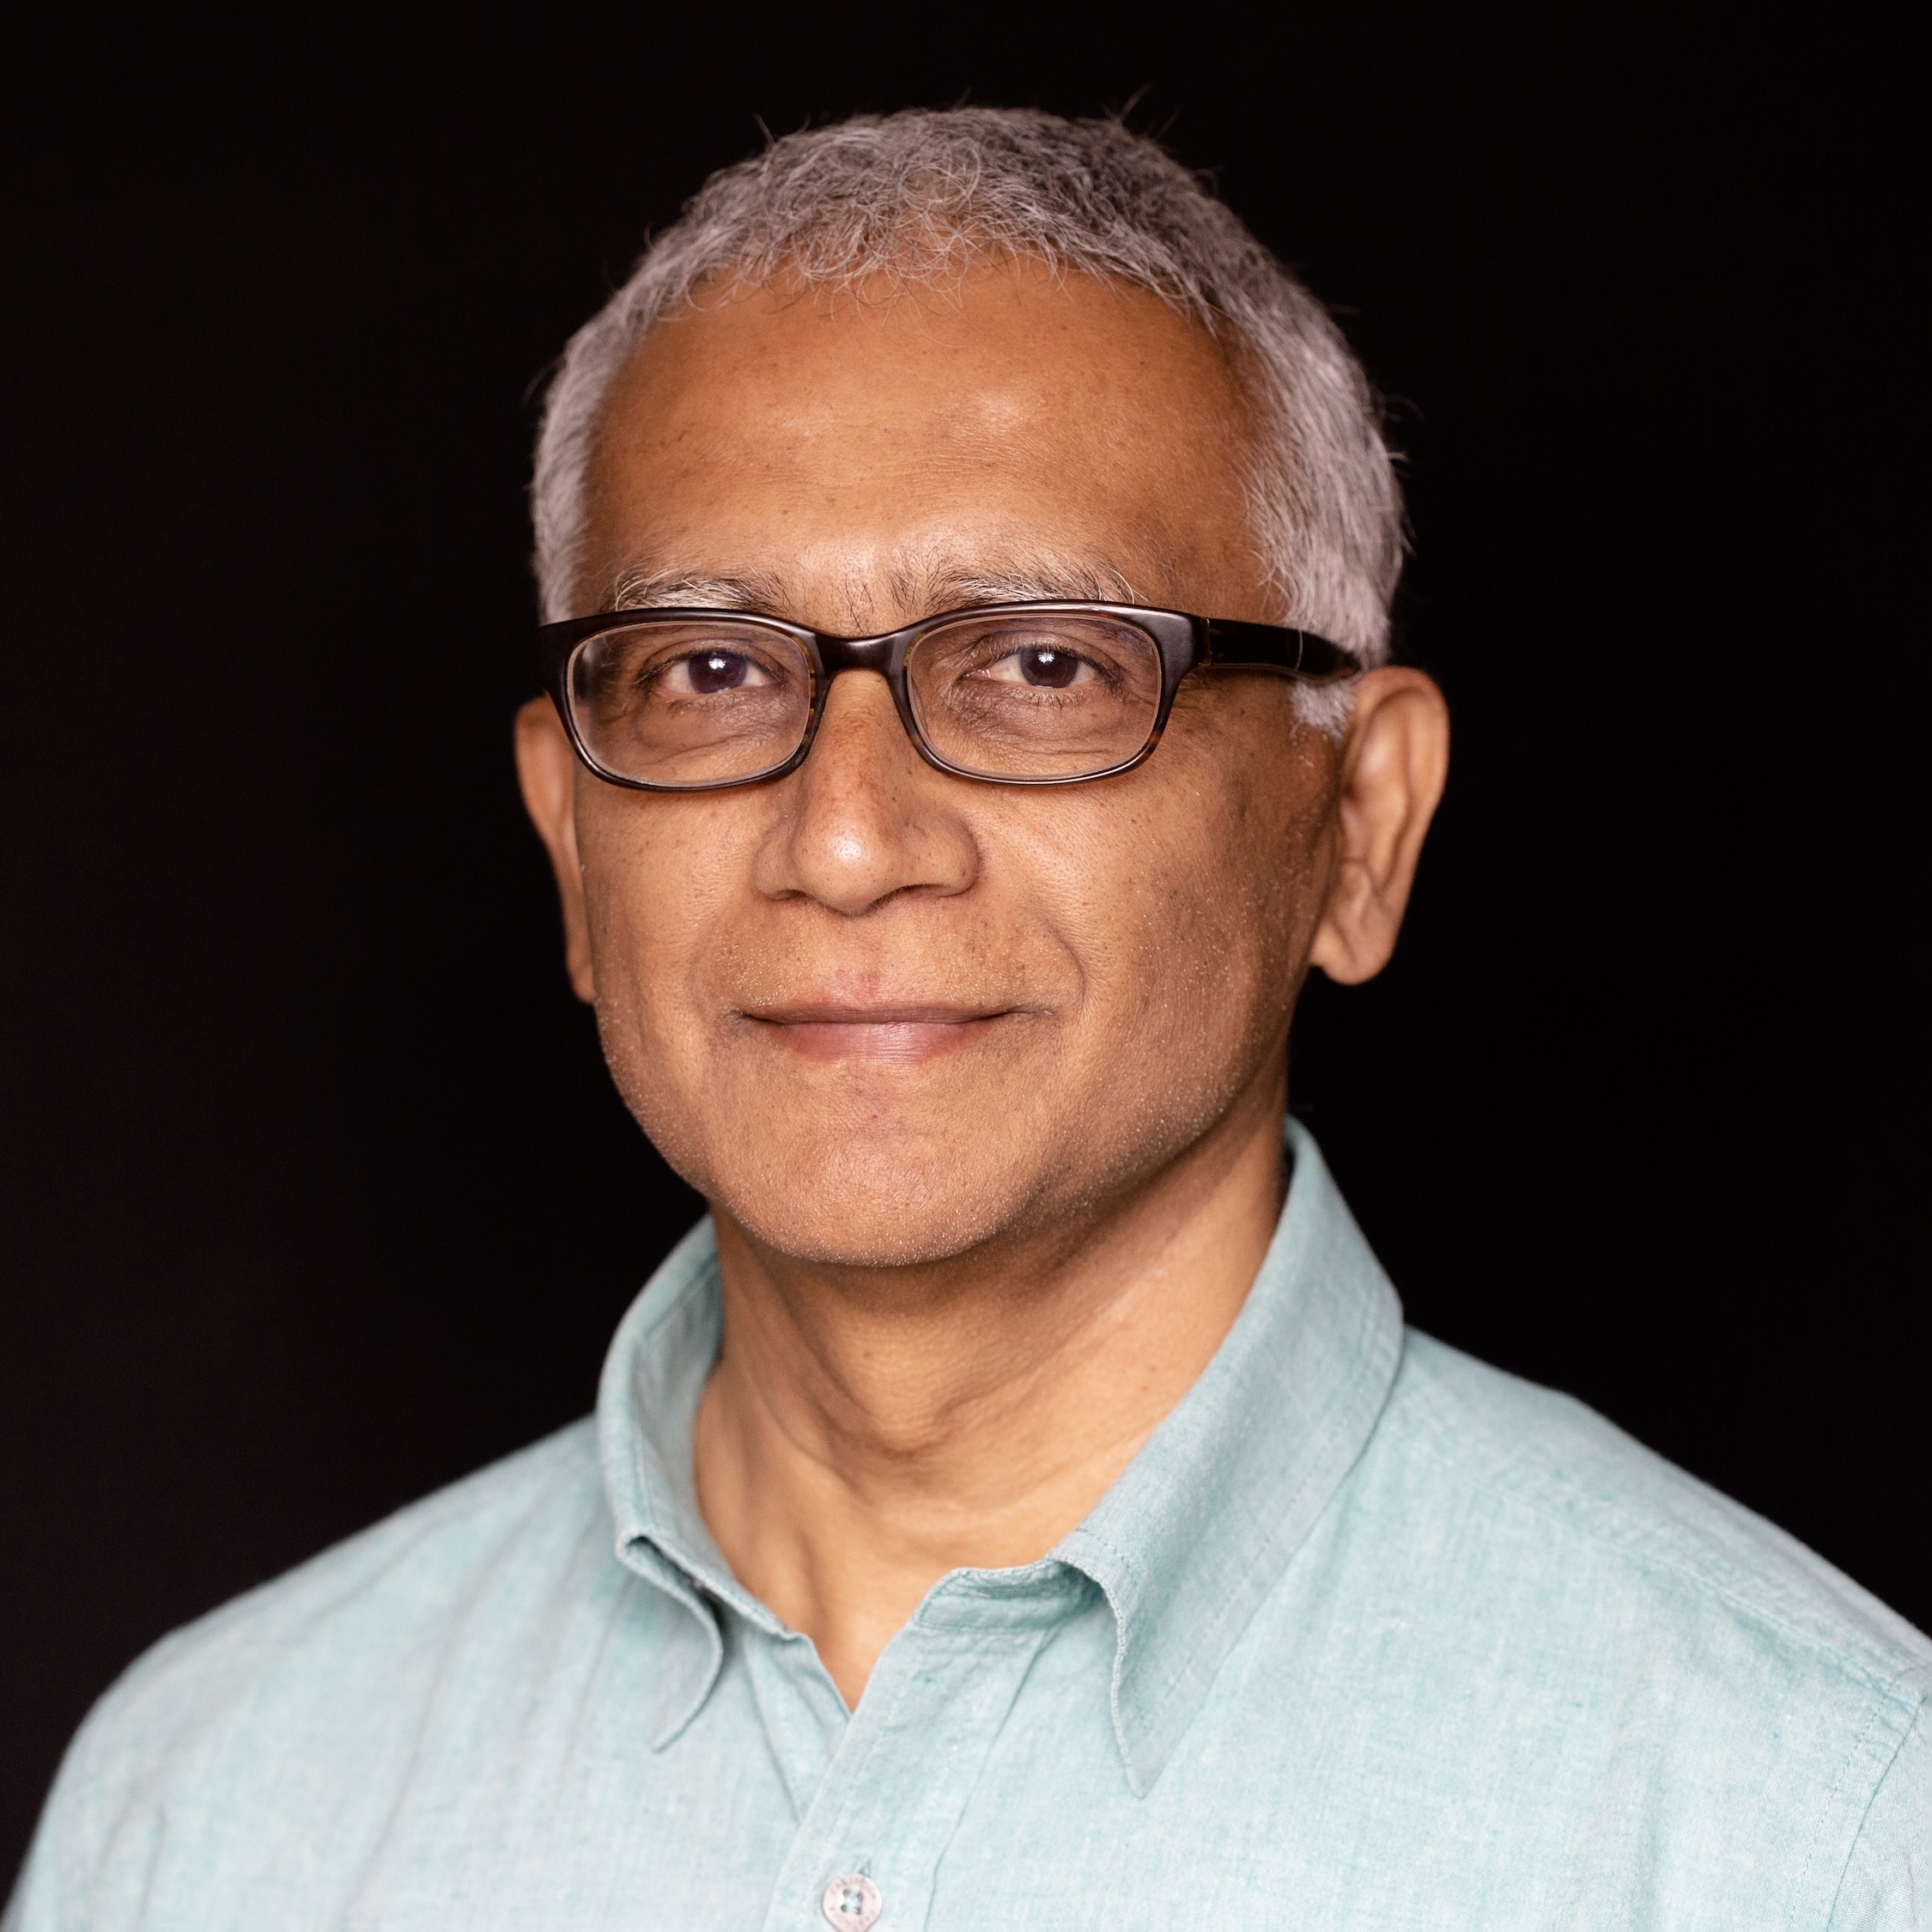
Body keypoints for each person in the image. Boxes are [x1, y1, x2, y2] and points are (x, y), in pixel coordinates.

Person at [7, 106, 1925, 1932]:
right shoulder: (209, 1812)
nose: (844, 840)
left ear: (1359, 827)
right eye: (706, 667)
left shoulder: (1813, 1823)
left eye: (1039, 664)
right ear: (574, 852)